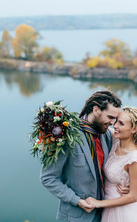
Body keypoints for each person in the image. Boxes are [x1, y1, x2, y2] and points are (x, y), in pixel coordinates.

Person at [40, 90, 124, 222]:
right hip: (76, 217)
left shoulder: (107, 135)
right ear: (96, 110)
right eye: (110, 117)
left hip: (105, 214)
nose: (113, 122)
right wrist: (78, 201)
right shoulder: (66, 136)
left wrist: (123, 183)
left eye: (115, 119)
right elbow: (48, 178)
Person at [85, 106, 137, 222]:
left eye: (121, 124)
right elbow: (96, 125)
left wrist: (99, 203)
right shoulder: (116, 139)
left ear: (134, 129)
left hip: (121, 212)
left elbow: (133, 196)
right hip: (107, 206)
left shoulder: (134, 158)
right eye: (116, 121)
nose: (114, 126)